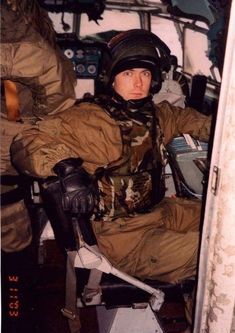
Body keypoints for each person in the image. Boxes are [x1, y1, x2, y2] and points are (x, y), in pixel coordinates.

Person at [10, 29, 212, 286]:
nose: (138, 84)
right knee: (217, 249)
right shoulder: (91, 120)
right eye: (128, 74)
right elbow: (26, 141)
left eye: (145, 74)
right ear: (111, 78)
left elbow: (205, 124)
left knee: (223, 220)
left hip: (160, 211)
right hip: (123, 238)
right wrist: (66, 167)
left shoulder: (161, 116)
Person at [1, 1, 76, 333]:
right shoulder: (31, 49)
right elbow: (57, 99)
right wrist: (29, 132)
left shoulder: (11, 89)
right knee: (15, 266)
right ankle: (18, 324)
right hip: (8, 177)